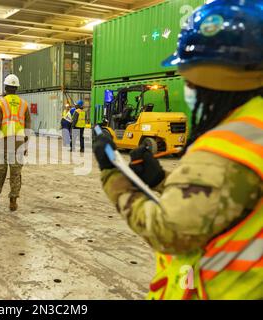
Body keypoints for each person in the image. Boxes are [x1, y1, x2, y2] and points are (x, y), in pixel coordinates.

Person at [94, 0, 262, 300]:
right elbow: (223, 199)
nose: (186, 85)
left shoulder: (226, 147)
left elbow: (169, 230)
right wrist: (162, 182)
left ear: (208, 78)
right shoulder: (254, 127)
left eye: (187, 78)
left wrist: (113, 176)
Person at [0, 74, 31, 211]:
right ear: (16, 88)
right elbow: (28, 126)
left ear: (5, 87)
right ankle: (13, 201)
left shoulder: (0, 103)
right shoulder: (24, 104)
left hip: (3, 143)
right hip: (18, 143)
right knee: (16, 172)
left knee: (0, 171)